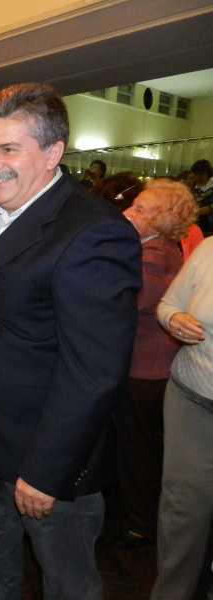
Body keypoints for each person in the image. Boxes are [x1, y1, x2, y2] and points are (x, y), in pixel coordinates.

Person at [0, 82, 142, 600]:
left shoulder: (94, 231)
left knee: (68, 586)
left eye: (8, 149)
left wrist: (45, 471)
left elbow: (94, 371)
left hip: (47, 464)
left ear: (53, 152)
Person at [117, 179, 197, 549]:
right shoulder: (158, 250)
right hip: (153, 367)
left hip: (145, 370)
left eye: (139, 209)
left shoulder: (154, 258)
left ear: (160, 220)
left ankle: (140, 523)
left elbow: (128, 303)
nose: (127, 213)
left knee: (139, 450)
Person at [151, 236, 213, 600]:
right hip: (192, 400)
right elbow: (167, 305)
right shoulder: (209, 249)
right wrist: (175, 319)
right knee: (182, 512)